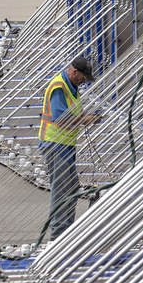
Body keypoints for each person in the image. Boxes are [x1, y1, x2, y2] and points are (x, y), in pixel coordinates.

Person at [39, 56, 100, 241]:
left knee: (72, 188)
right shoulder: (59, 87)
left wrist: (87, 116)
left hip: (65, 145)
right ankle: (57, 237)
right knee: (61, 191)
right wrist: (85, 120)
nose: (84, 82)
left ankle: (66, 233)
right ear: (74, 72)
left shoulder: (72, 87)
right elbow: (61, 120)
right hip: (55, 144)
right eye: (83, 77)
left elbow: (72, 113)